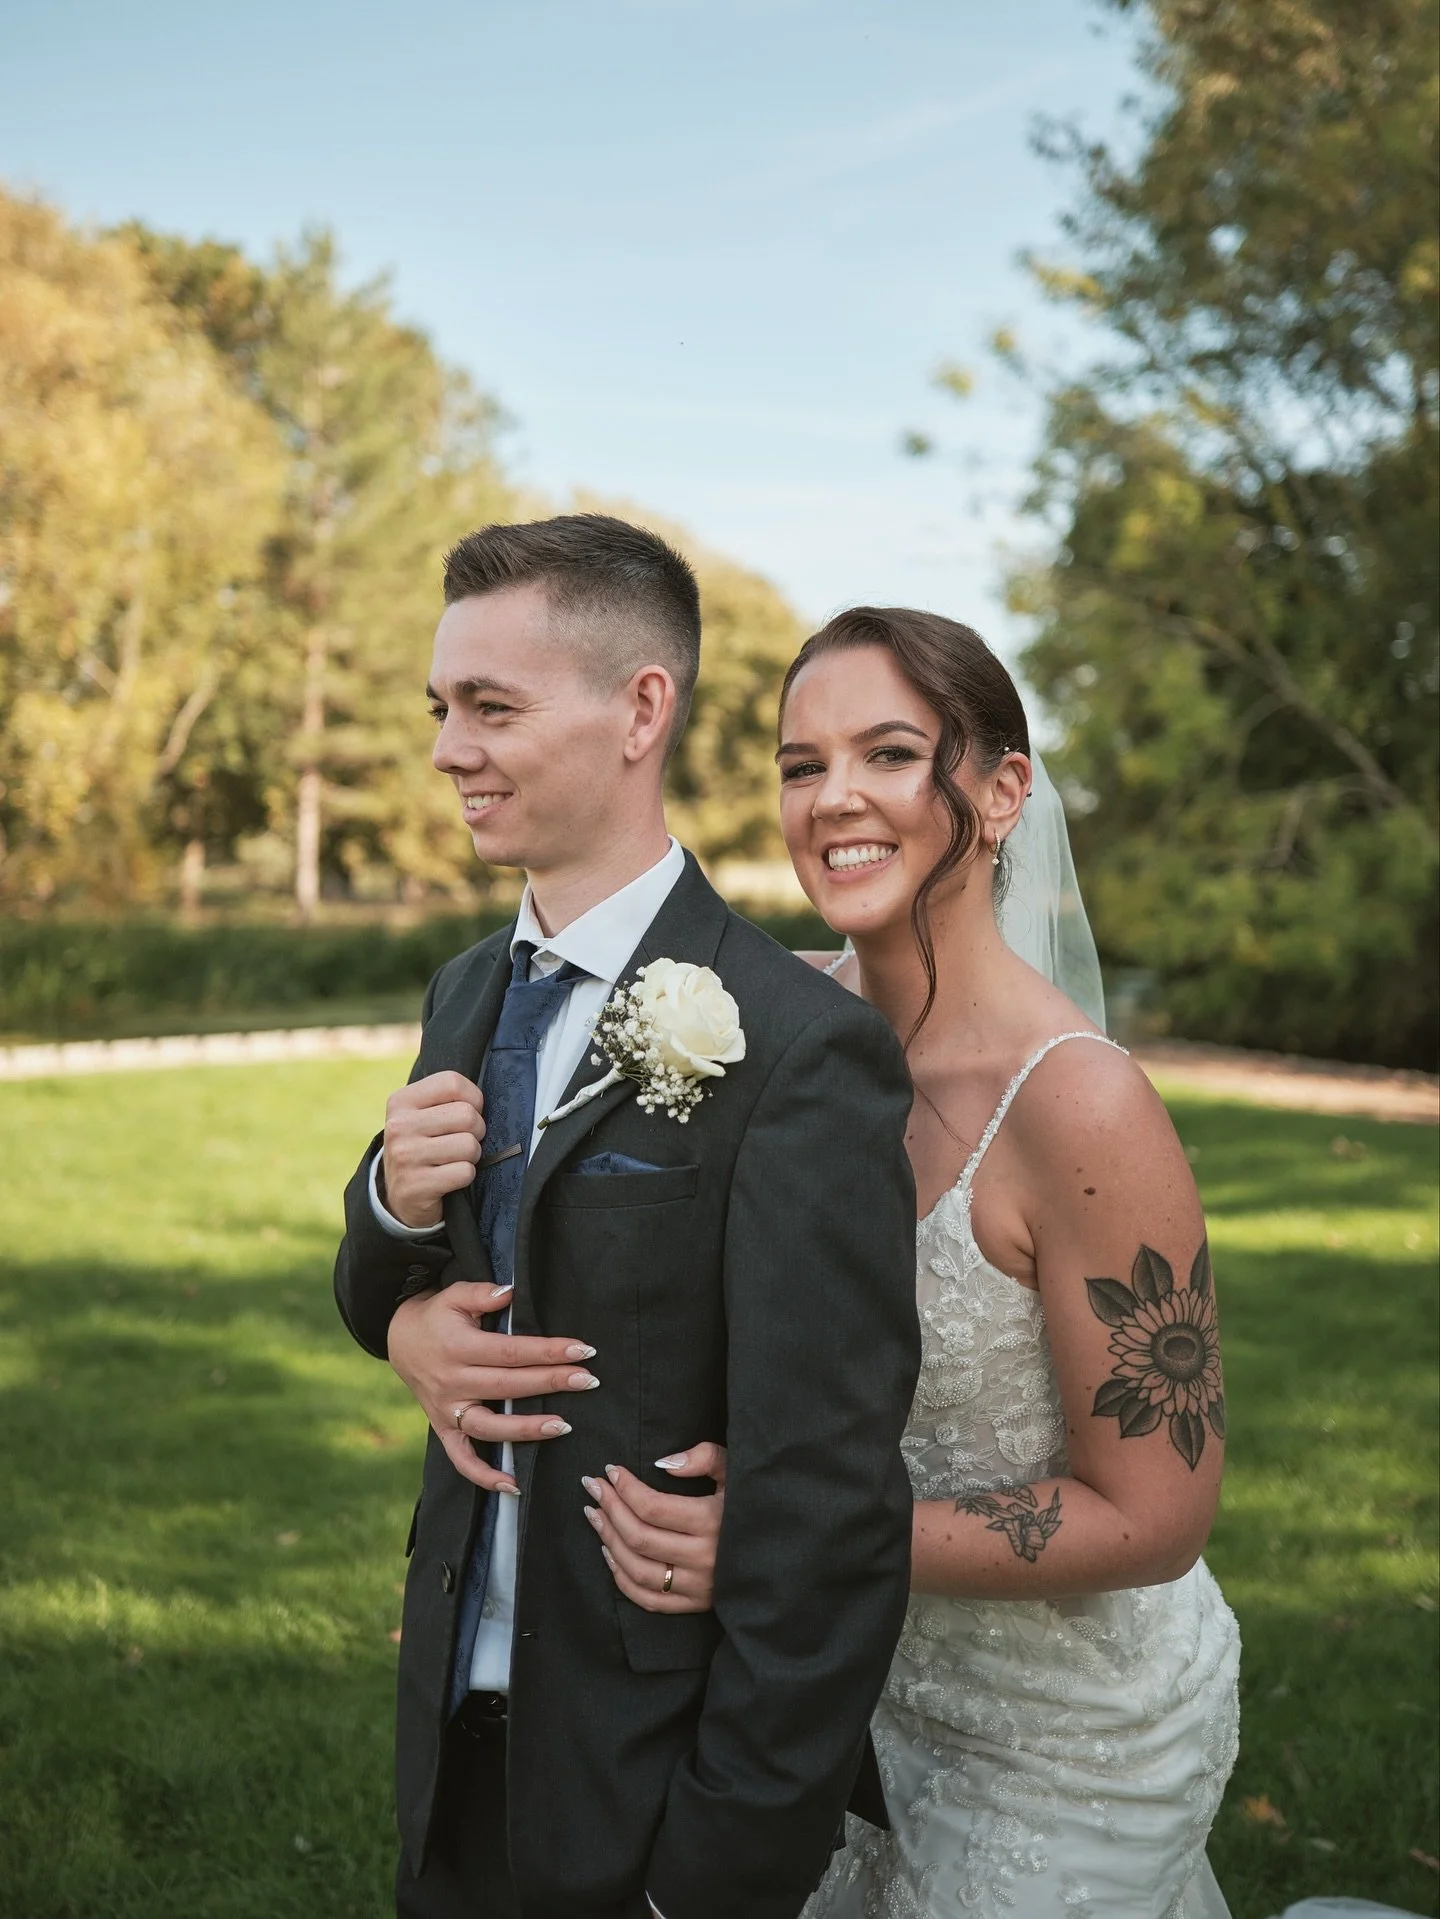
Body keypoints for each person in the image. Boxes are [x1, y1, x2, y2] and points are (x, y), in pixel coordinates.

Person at [588, 607, 1242, 1917]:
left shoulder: (1081, 1110)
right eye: (798, 763)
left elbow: (1155, 1515)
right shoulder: (753, 1034)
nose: (832, 800)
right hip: (823, 1696)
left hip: (1065, 1735)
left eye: (889, 753)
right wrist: (418, 1297)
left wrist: (786, 1542)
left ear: (1004, 791)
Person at [332, 520, 923, 1919]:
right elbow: (394, 1277)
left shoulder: (794, 1045)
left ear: (639, 709)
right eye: (441, 709)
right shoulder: (468, 990)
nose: (445, 750)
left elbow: (827, 1520)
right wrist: (391, 1247)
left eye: (492, 708)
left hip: (647, 1769)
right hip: (453, 1754)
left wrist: (712, 1881)